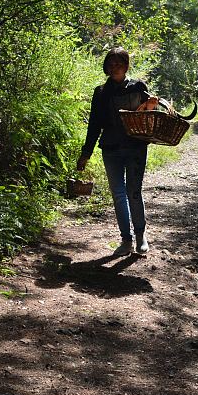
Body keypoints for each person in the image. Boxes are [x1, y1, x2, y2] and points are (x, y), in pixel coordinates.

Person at [76, 47, 159, 256]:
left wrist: (151, 105)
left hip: (136, 147)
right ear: (106, 67)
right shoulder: (101, 92)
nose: (114, 68)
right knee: (118, 195)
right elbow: (94, 125)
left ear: (126, 65)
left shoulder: (138, 87)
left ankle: (141, 235)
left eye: (118, 63)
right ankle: (126, 240)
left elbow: (149, 116)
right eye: (110, 64)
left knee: (133, 192)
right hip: (111, 148)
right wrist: (86, 152)